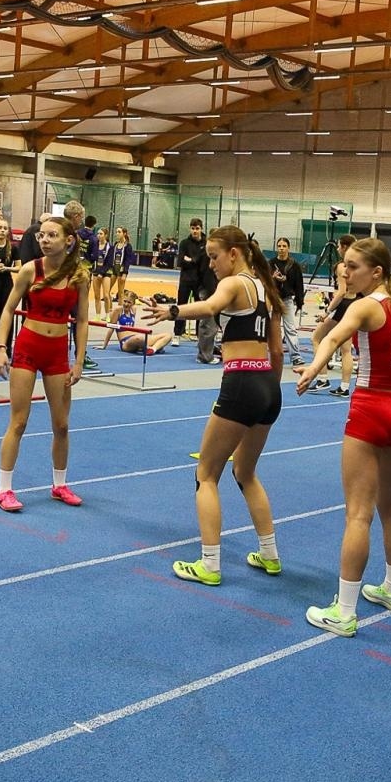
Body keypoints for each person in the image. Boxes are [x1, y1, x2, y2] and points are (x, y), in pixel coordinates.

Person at [293, 238, 391, 637]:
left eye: (352, 266)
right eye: (344, 266)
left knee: (358, 514)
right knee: (390, 505)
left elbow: (331, 338)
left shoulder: (367, 306)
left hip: (371, 409)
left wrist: (314, 367)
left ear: (377, 272)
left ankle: (344, 611)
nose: (345, 272)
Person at [145, 225, 285, 586]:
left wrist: (171, 311)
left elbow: (209, 307)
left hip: (241, 383)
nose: (211, 263)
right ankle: (269, 555)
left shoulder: (235, 284)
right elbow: (277, 349)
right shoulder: (264, 289)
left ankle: (209, 564)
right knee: (246, 472)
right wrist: (269, 387)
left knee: (206, 474)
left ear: (234, 253)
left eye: (213, 256)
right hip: (268, 386)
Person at [0, 216, 89, 512]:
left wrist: (79, 361)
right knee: (19, 421)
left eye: (51, 236)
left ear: (68, 240)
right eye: (41, 236)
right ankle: (4, 489)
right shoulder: (28, 270)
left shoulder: (80, 276)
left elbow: (83, 321)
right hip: (28, 349)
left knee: (61, 425)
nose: (44, 240)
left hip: (58, 353)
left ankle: (59, 485)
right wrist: (0, 348)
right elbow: (8, 310)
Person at [310, 234, 357, 395]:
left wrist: (327, 311)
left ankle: (322, 378)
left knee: (316, 338)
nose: (336, 249)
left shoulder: (342, 266)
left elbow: (341, 292)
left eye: (338, 246)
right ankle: (344, 387)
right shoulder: (359, 264)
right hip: (354, 305)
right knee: (346, 349)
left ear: (344, 247)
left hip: (343, 306)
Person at [271, 237, 306, 365]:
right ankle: (271, 354)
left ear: (288, 248)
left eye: (284, 246)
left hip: (287, 301)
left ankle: (295, 356)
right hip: (273, 300)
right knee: (272, 329)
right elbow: (266, 283)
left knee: (290, 328)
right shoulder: (271, 263)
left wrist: (299, 301)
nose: (281, 248)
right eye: (279, 246)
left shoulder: (294, 265)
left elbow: (299, 284)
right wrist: (273, 278)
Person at [100, 291, 172, 354]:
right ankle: (150, 347)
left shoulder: (134, 309)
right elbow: (111, 329)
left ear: (133, 303)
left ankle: (153, 349)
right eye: (125, 301)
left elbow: (132, 327)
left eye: (129, 302)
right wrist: (104, 345)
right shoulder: (117, 310)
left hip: (136, 337)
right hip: (126, 342)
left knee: (168, 335)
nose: (126, 304)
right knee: (140, 338)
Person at [174, 218, 209, 337]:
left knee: (200, 308)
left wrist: (191, 260)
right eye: (193, 228)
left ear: (201, 229)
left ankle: (200, 334)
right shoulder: (184, 243)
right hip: (185, 280)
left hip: (200, 281)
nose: (195, 231)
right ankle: (178, 333)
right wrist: (195, 261)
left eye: (197, 228)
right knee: (181, 306)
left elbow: (204, 262)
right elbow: (180, 262)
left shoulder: (206, 243)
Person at [104, 226, 134, 315]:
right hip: (114, 269)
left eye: (119, 232)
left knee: (120, 292)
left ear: (124, 233)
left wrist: (125, 273)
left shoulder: (128, 246)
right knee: (107, 291)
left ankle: (121, 313)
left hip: (121, 271)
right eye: (116, 232)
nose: (117, 233)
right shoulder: (116, 244)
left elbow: (128, 260)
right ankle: (109, 312)